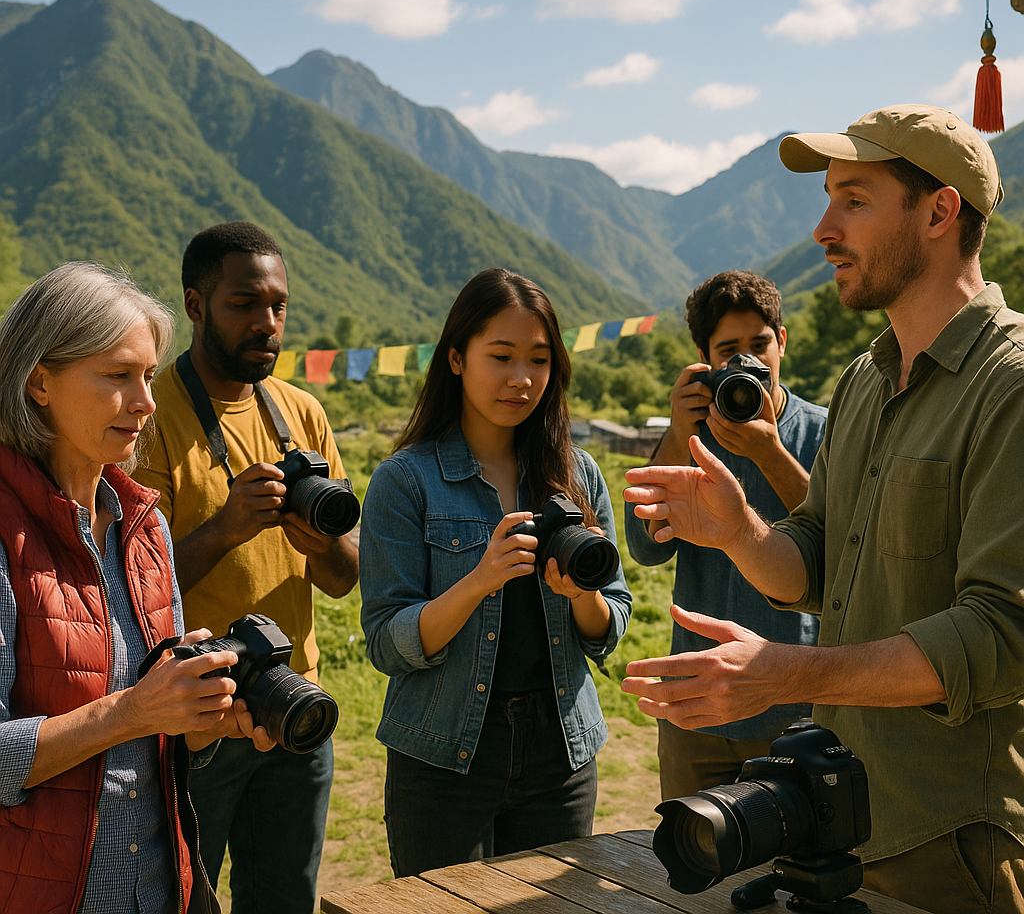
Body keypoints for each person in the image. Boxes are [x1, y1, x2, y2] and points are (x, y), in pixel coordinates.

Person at [621, 105, 1024, 913]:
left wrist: (785, 674)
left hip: (949, 838)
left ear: (940, 212)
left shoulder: (1009, 385)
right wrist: (737, 529)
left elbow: (1000, 634)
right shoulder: (865, 381)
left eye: (854, 200)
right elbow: (820, 558)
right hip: (837, 818)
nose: (822, 229)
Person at [0, 262, 273, 914]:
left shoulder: (144, 527)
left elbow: (154, 746)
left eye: (149, 376)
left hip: (156, 889)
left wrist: (206, 718)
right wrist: (135, 710)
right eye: (118, 375)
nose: (147, 401)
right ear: (39, 382)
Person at [359, 268, 632, 877]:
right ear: (456, 359)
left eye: (539, 360)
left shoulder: (578, 473)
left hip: (559, 752)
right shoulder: (406, 481)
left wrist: (581, 595)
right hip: (443, 753)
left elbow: (611, 620)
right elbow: (386, 641)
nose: (521, 378)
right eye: (501, 356)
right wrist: (479, 579)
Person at [134, 223, 358, 914]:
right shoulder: (150, 416)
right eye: (244, 303)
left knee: (286, 901)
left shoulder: (302, 411)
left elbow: (345, 577)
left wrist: (316, 540)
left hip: (293, 703)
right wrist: (230, 525)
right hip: (195, 718)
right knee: (184, 900)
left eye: (279, 305)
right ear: (196, 305)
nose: (268, 323)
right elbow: (132, 585)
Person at [624, 270, 825, 800]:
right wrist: (677, 431)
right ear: (704, 358)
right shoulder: (690, 434)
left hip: (793, 707)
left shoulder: (825, 430)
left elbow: (843, 545)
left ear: (782, 341)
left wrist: (767, 449)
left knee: (794, 869)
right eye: (728, 350)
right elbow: (646, 547)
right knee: (693, 864)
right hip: (696, 705)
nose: (748, 363)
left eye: (760, 345)